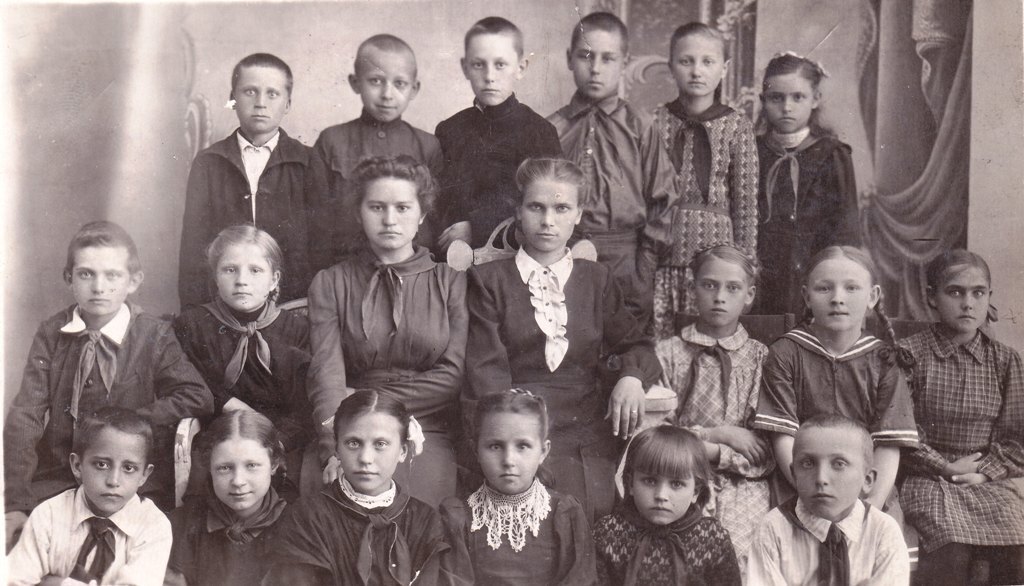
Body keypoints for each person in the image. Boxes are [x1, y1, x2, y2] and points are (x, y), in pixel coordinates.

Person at [465, 157, 661, 523]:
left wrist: (632, 377)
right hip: (516, 428)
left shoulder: (596, 279)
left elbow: (636, 344)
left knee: (595, 509)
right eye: (536, 207)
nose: (548, 221)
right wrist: (517, 437)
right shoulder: (488, 280)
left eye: (561, 208)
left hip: (586, 426)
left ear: (577, 214)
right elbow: (486, 372)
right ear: (519, 211)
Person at [5, 221, 212, 544]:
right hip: (60, 477)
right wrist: (15, 501)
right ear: (69, 278)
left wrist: (135, 420)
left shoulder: (152, 335)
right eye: (87, 274)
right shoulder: (52, 333)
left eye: (112, 275)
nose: (99, 287)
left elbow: (197, 396)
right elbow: (25, 416)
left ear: (134, 281)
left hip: (128, 482)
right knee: (31, 545)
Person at [307, 155, 467, 506]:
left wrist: (371, 399)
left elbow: (452, 376)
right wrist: (333, 448)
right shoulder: (331, 282)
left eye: (403, 207)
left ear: (422, 214)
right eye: (377, 207)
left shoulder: (451, 282)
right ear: (358, 212)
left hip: (423, 429)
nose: (390, 220)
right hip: (349, 430)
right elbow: (326, 375)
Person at [753, 246, 919, 514]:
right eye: (824, 288)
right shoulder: (786, 353)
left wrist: (870, 505)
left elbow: (889, 445)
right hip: (798, 483)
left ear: (872, 297)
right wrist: (807, 492)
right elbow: (783, 437)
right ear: (807, 296)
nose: (837, 299)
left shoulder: (884, 360)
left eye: (851, 288)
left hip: (865, 487)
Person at [899, 250, 1024, 585]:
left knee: (1017, 546)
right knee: (950, 548)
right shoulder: (910, 354)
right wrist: (944, 467)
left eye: (977, 293)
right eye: (955, 292)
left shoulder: (1005, 361)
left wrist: (984, 472)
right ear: (932, 299)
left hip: (986, 480)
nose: (968, 303)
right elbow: (899, 429)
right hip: (928, 477)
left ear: (988, 298)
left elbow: (1017, 438)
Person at [547, 11, 677, 325]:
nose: (595, 68)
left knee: (623, 349)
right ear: (569, 58)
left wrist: (643, 272)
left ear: (624, 61)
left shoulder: (640, 126)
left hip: (625, 259)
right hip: (561, 253)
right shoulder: (551, 128)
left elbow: (664, 201)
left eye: (608, 58)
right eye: (586, 56)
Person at [178, 52, 331, 307]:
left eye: (272, 94)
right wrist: (194, 315)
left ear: (288, 104)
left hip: (291, 305)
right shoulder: (210, 162)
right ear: (233, 100)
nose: (261, 103)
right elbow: (193, 249)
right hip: (223, 305)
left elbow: (322, 245)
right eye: (250, 92)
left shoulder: (308, 162)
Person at [655, 244, 772, 572]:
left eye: (732, 288)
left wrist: (722, 453)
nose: (720, 296)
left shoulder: (760, 358)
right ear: (692, 289)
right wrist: (717, 435)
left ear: (748, 295)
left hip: (741, 483)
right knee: (675, 553)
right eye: (709, 285)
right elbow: (655, 438)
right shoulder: (669, 353)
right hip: (678, 475)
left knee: (737, 552)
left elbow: (762, 453)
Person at [174, 225, 311, 496]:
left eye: (255, 271)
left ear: (274, 280)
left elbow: (303, 401)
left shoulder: (296, 329)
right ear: (215, 277)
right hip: (219, 433)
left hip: (280, 439)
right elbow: (191, 383)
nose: (241, 280)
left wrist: (277, 441)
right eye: (230, 270)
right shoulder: (194, 324)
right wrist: (231, 407)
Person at [262, 391, 448, 585]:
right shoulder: (306, 517)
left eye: (381, 444)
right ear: (337, 449)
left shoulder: (425, 521)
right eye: (353, 443)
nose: (366, 458)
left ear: (402, 451)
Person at [649, 22, 759, 339]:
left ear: (723, 68)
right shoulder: (654, 121)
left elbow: (747, 206)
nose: (697, 71)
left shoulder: (737, 125)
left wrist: (745, 269)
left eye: (707, 62)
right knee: (664, 343)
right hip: (664, 260)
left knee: (709, 342)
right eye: (687, 61)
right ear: (671, 66)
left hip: (717, 267)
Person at [440, 389, 596, 585]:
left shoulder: (565, 512)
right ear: (476, 450)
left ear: (543, 451)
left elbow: (580, 579)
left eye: (522, 446)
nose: (508, 460)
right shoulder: (457, 516)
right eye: (495, 446)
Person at [434, 16, 562, 251]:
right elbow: (439, 199)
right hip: (451, 255)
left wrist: (477, 226)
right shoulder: (449, 129)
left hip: (513, 255)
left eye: (500, 64)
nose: (490, 76)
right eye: (478, 64)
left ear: (520, 68)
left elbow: (547, 202)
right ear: (465, 68)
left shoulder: (539, 132)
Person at [7, 407, 172, 586]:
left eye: (129, 468)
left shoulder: (153, 526)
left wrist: (57, 583)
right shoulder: (49, 515)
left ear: (144, 475)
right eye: (101, 464)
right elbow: (14, 581)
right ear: (77, 465)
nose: (113, 481)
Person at [314, 34, 443, 258]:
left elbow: (435, 218)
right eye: (375, 81)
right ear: (355, 83)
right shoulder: (332, 141)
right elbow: (317, 218)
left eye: (399, 84)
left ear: (414, 88)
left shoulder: (427, 145)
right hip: (345, 265)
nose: (387, 94)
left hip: (411, 266)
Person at [752, 52, 861, 315]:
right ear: (763, 101)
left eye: (797, 97)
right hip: (761, 280)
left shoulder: (832, 155)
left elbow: (846, 228)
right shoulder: (753, 153)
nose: (787, 107)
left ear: (815, 99)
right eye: (777, 98)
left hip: (817, 279)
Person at [747, 415, 910, 585]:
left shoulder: (883, 532)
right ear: (794, 475)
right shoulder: (773, 530)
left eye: (839, 464)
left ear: (867, 480)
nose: (821, 478)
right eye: (808, 463)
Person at [595, 425, 741, 585]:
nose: (661, 496)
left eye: (676, 484)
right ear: (630, 484)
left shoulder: (711, 539)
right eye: (650, 481)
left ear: (695, 492)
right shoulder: (609, 533)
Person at [164, 411, 288, 586]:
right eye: (224, 468)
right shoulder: (181, 525)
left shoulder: (296, 527)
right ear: (209, 467)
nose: (238, 481)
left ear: (273, 464)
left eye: (251, 466)